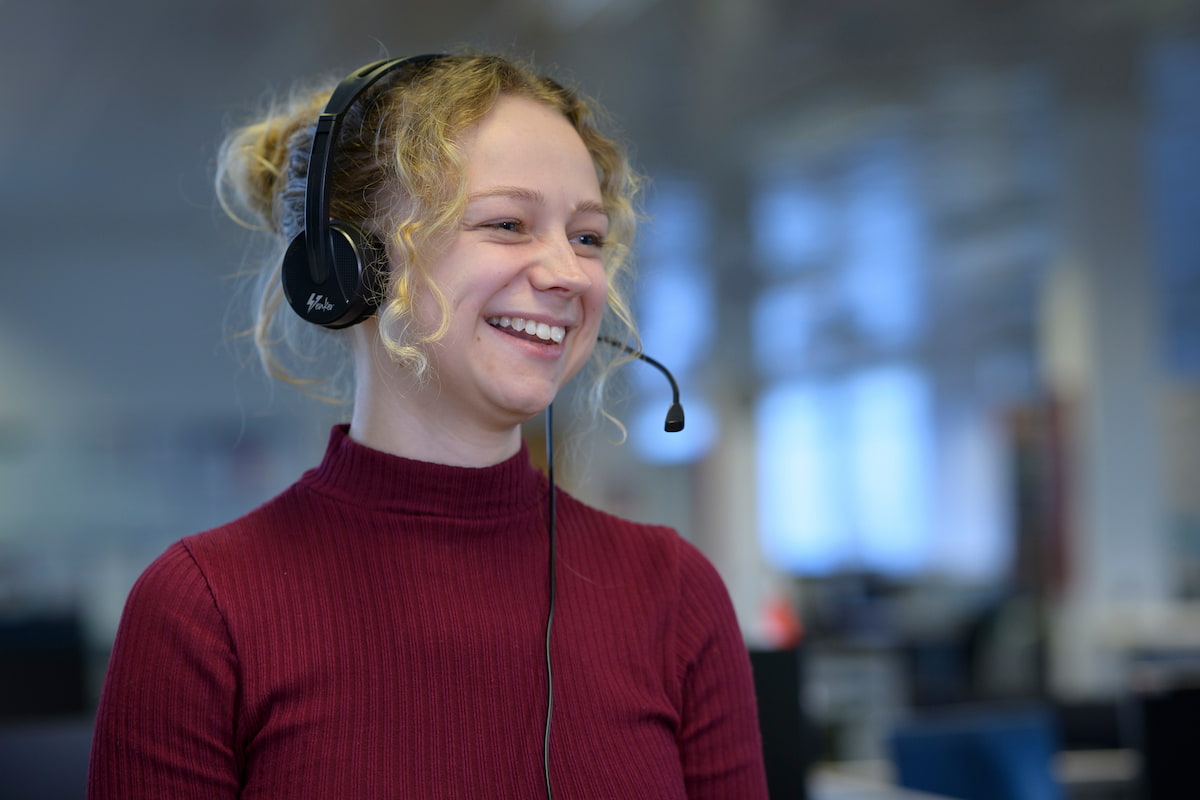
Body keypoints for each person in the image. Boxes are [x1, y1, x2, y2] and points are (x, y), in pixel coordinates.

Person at [87, 52, 768, 799]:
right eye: (507, 224)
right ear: (349, 266)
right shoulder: (202, 607)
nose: (569, 274)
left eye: (586, 236)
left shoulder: (675, 593)